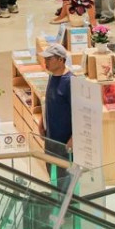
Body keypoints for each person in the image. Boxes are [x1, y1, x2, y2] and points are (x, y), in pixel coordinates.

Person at [38, 44, 73, 186]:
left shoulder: (70, 81)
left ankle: (67, 207)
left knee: (64, 179)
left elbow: (77, 112)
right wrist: (41, 122)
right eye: (45, 59)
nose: (46, 62)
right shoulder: (51, 77)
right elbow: (48, 102)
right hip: (50, 139)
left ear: (61, 60)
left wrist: (73, 138)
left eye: (49, 59)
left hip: (64, 143)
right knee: (51, 174)